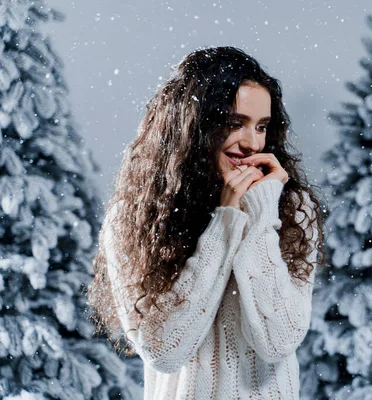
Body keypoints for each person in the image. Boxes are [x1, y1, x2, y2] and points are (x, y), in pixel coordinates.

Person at [87, 46, 325, 399]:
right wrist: (225, 222)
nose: (251, 142)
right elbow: (164, 350)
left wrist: (259, 216)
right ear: (193, 124)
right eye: (233, 123)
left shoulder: (291, 207)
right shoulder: (135, 214)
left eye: (261, 126)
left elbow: (281, 339)